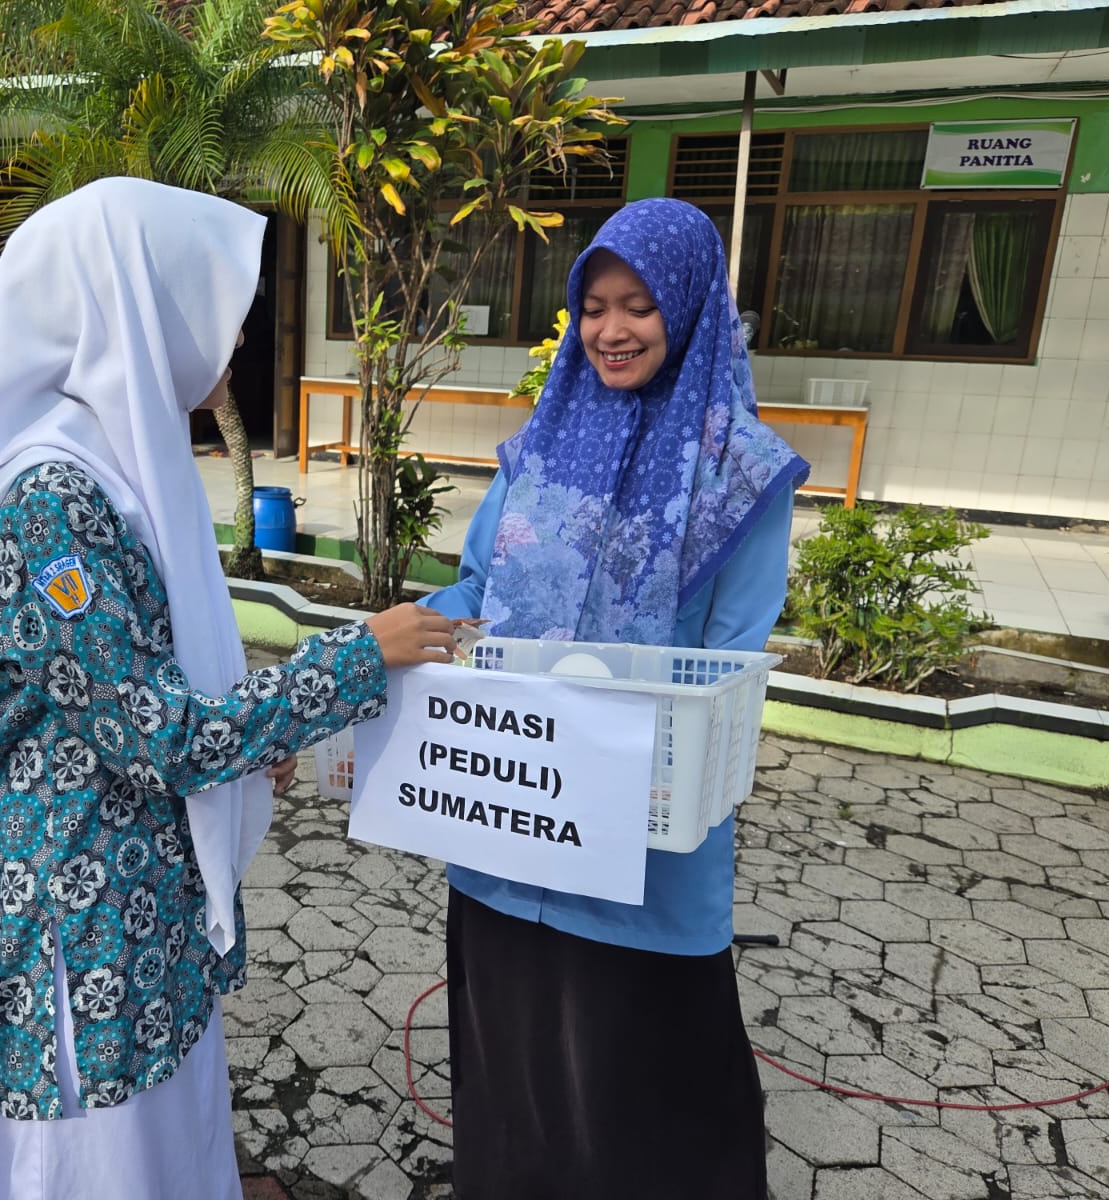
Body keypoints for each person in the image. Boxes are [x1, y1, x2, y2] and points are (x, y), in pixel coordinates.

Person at [0, 176, 457, 1198]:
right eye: (216, 312)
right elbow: (159, 732)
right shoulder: (53, 501)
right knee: (95, 1161)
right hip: (78, 916)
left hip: (132, 895)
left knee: (161, 1147)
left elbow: (149, 684)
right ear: (137, 306)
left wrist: (255, 742)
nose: (237, 339)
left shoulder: (116, 461)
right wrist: (354, 658)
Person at [424, 198, 810, 1199]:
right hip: (508, 831)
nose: (610, 330)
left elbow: (726, 661)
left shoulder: (740, 478)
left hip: (640, 850)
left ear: (686, 306)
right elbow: (475, 592)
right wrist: (385, 638)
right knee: (515, 1097)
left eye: (637, 304)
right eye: (592, 306)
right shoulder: (542, 447)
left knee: (649, 1111)